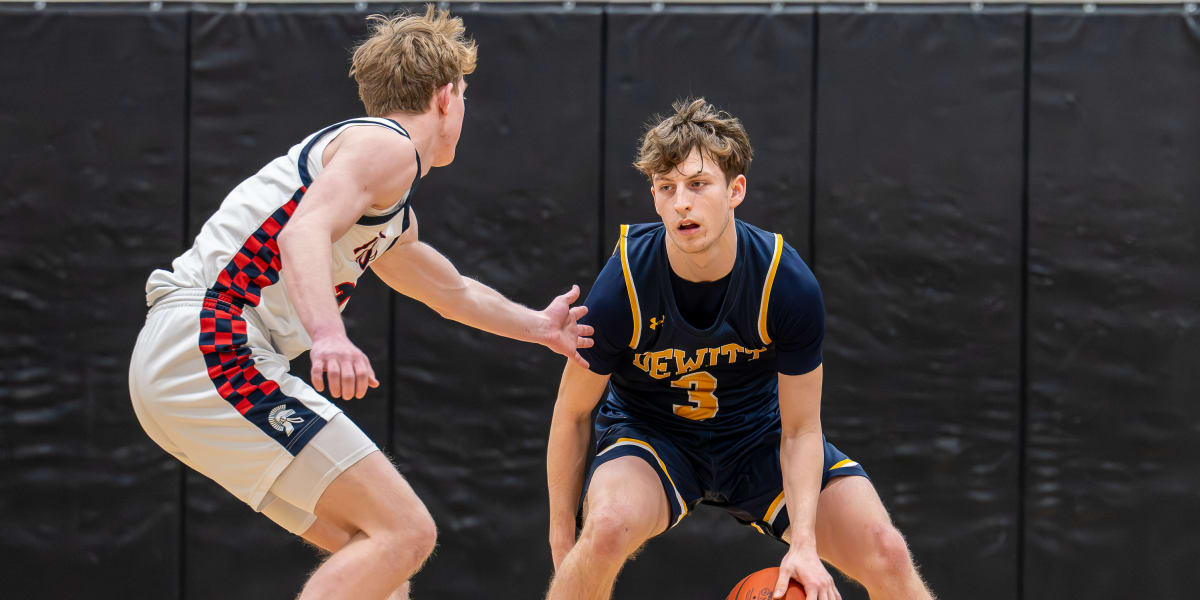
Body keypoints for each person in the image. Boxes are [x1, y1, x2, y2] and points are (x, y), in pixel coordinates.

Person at [128, 7, 592, 600]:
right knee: (406, 532)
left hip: (187, 358)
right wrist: (328, 336)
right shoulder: (387, 146)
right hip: (211, 340)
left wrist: (539, 327)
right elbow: (302, 232)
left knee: (381, 561)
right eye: (465, 95)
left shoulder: (384, 195)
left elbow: (450, 290)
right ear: (447, 97)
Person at [545, 99, 935, 600]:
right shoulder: (624, 284)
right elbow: (572, 412)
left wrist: (805, 543)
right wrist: (561, 533)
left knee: (887, 550)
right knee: (602, 530)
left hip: (758, 438)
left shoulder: (784, 282)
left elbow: (801, 429)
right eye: (666, 188)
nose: (681, 203)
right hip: (653, 435)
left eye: (697, 184)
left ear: (735, 190)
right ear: (654, 199)